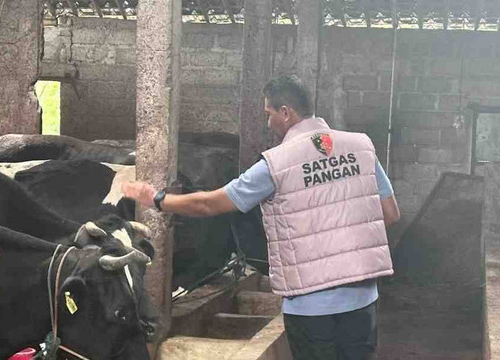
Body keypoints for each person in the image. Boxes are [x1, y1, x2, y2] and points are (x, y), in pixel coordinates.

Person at [121, 75, 400, 360]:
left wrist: (157, 199)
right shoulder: (362, 147)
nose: (268, 123)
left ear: (286, 113)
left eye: (269, 114)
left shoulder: (276, 163)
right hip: (363, 300)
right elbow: (390, 214)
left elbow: (209, 204)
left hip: (310, 306)